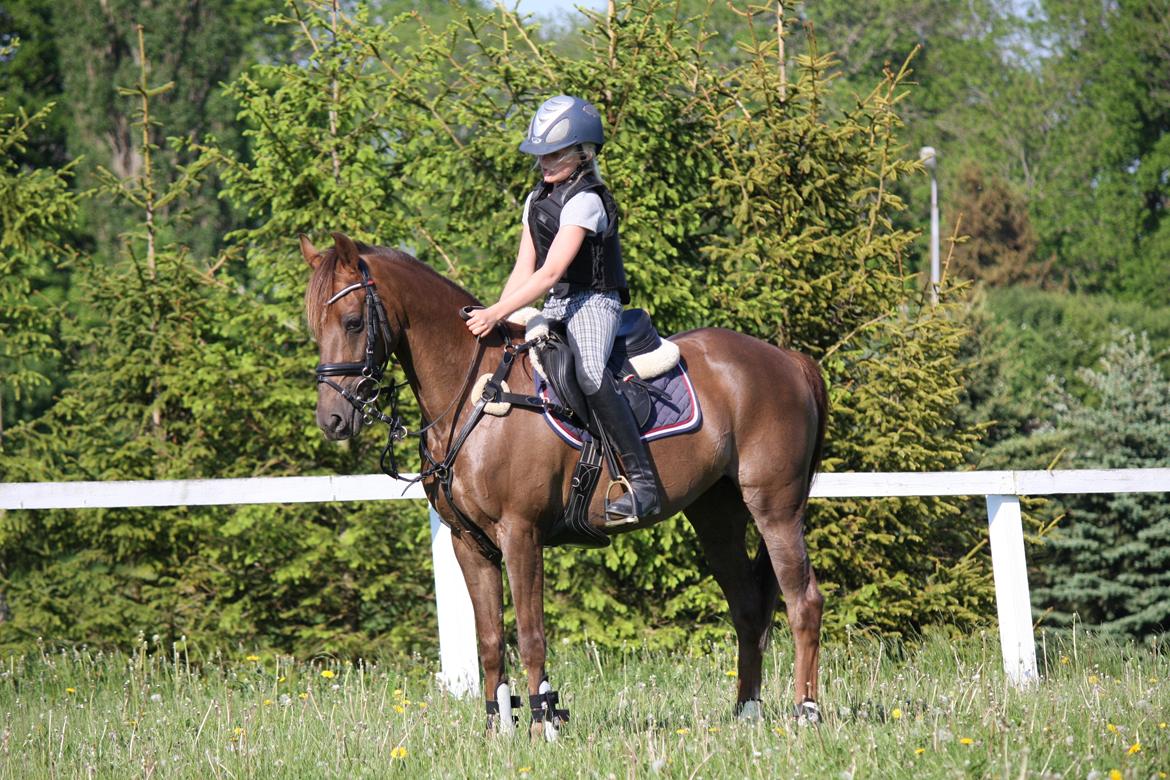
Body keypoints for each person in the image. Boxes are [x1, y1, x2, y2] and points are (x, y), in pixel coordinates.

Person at [465, 94, 660, 522]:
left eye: (553, 154)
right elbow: (525, 268)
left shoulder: (586, 199)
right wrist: (498, 313)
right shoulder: (537, 199)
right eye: (540, 156)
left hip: (595, 302)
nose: (545, 163)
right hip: (557, 304)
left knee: (589, 371)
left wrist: (496, 312)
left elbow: (551, 272)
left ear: (582, 153)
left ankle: (644, 484)